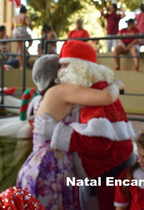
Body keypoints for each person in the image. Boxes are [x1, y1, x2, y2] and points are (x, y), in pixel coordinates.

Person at [39, 40, 135, 210]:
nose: (60, 72)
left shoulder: (96, 92)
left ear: (79, 68)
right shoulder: (96, 88)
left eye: (65, 66)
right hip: (112, 168)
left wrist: (57, 133)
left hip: (108, 174)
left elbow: (99, 143)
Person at [17, 52, 121, 210]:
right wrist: (115, 84)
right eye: (64, 65)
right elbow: (106, 97)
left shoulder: (49, 93)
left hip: (50, 165)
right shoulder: (61, 90)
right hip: (49, 167)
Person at [12, 6, 33, 70]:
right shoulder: (24, 16)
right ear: (25, 11)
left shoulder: (14, 17)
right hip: (22, 31)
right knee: (30, 40)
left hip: (15, 32)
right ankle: (27, 48)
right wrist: (31, 27)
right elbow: (29, 23)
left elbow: (11, 27)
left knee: (20, 50)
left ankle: (21, 66)